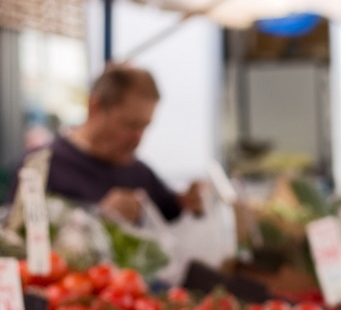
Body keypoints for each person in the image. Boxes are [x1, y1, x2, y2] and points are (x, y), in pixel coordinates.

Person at [13, 63, 203, 224]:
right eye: (129, 124)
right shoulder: (39, 166)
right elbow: (15, 239)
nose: (138, 137)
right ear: (95, 107)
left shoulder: (139, 173)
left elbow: (170, 209)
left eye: (145, 126)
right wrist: (98, 218)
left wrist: (188, 199)